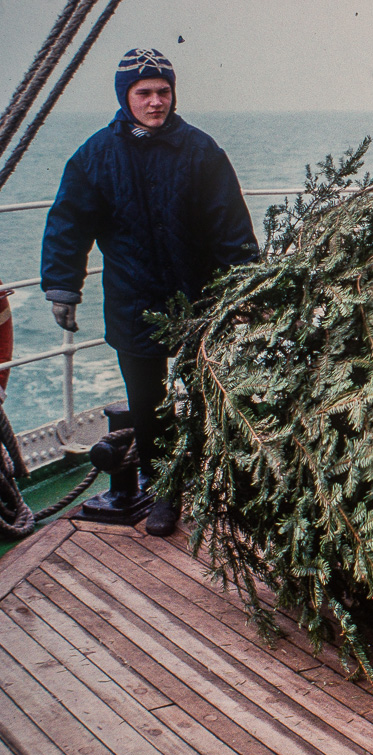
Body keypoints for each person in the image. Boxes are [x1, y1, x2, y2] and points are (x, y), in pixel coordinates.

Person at [41, 48, 258, 537]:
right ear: (126, 97)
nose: (156, 101)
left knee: (214, 392)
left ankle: (225, 483)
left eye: (163, 91)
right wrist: (62, 288)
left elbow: (231, 228)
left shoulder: (201, 151)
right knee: (146, 402)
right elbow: (68, 223)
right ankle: (162, 490)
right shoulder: (96, 155)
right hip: (132, 300)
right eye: (144, 93)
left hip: (199, 298)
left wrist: (245, 287)